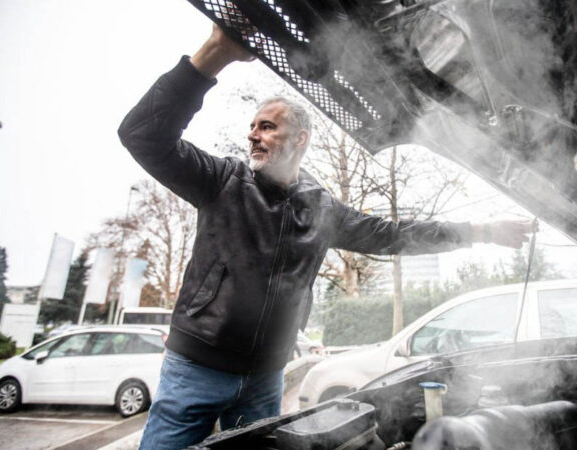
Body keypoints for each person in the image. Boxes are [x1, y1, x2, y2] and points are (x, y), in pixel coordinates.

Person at [118, 24, 532, 450]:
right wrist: (214, 54)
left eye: (266, 127)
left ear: (299, 139)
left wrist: (482, 231)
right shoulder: (221, 180)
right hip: (196, 370)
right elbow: (142, 135)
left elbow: (393, 235)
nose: (252, 135)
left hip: (266, 376)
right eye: (252, 127)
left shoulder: (322, 209)